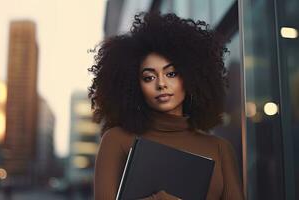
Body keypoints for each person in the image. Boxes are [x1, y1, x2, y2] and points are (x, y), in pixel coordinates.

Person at [88, 11, 244, 200]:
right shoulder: (117, 140)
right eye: (149, 77)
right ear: (135, 85)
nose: (161, 84)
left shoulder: (220, 149)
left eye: (171, 74)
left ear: (190, 77)